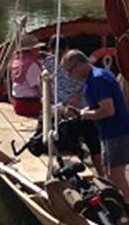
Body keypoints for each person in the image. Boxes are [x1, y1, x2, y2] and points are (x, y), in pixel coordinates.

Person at [63, 49, 129, 199]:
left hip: (117, 132)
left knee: (116, 175)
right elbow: (98, 105)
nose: (70, 76)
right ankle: (118, 206)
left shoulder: (97, 79)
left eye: (70, 71)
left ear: (79, 65)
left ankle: (127, 209)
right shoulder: (93, 78)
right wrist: (82, 111)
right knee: (109, 173)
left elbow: (108, 110)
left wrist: (83, 114)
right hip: (108, 132)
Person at [42, 36, 102, 172]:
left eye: (61, 52)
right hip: (59, 102)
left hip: (78, 101)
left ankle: (100, 170)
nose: (58, 56)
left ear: (66, 49)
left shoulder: (75, 61)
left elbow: (90, 77)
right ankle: (68, 159)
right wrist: (47, 97)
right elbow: (44, 81)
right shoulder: (48, 62)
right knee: (59, 128)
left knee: (90, 134)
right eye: (54, 52)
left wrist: (77, 96)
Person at [10, 35, 44, 118]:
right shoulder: (31, 65)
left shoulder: (16, 61)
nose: (39, 51)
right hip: (29, 105)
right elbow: (38, 87)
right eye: (37, 49)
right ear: (31, 50)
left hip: (18, 102)